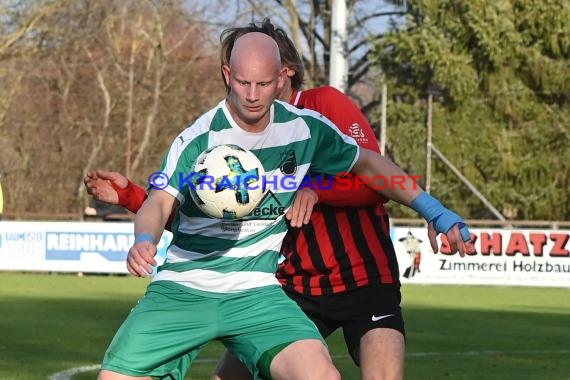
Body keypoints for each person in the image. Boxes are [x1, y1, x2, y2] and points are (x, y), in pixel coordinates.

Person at [86, 20, 473, 380]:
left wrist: (433, 210)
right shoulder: (198, 139)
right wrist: (143, 240)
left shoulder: (304, 128)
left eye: (263, 84)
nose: (253, 96)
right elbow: (161, 201)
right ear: (227, 76)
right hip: (184, 289)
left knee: (321, 376)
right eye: (242, 83)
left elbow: (369, 164)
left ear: (282, 78)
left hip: (257, 292)